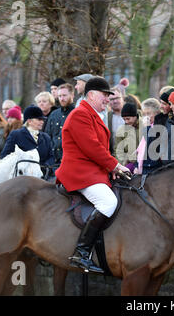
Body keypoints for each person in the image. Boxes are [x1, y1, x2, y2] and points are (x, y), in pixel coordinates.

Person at [55, 76, 131, 273]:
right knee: (108, 202)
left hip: (92, 170)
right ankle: (81, 253)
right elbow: (92, 148)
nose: (107, 99)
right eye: (104, 95)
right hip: (79, 172)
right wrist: (115, 166)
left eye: (108, 95)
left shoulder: (93, 114)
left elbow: (100, 150)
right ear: (91, 94)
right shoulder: (80, 114)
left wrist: (111, 170)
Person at [0, 106, 54, 172]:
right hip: (22, 177)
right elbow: (5, 156)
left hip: (43, 176)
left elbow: (51, 156)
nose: (42, 122)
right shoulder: (16, 135)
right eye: (39, 119)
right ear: (29, 121)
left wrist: (46, 166)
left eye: (43, 120)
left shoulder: (46, 137)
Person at [44, 83, 75, 166]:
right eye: (60, 96)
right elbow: (47, 137)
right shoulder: (54, 114)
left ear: (72, 95)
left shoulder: (77, 113)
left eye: (64, 95)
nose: (62, 98)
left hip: (71, 161)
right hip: (53, 162)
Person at [135, 98, 162, 175]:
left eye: (149, 113)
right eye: (144, 114)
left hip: (152, 169)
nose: (146, 117)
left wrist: (147, 128)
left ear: (157, 113)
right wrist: (136, 166)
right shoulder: (147, 127)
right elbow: (141, 149)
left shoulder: (159, 126)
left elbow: (152, 145)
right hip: (144, 167)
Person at [114, 103, 141, 170]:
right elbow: (118, 150)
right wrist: (122, 163)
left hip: (142, 162)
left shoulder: (144, 125)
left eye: (128, 119)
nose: (126, 121)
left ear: (135, 116)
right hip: (128, 163)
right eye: (124, 119)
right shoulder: (121, 130)